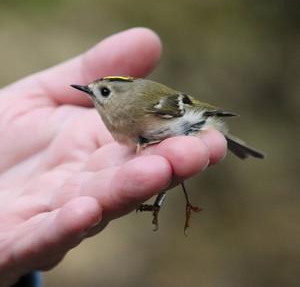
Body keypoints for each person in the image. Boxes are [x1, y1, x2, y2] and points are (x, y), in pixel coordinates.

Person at [0, 28, 227, 286]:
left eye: (105, 92)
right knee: (163, 167)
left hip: (190, 120)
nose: (96, 97)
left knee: (175, 162)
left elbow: (185, 106)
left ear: (123, 97)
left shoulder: (140, 105)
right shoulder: (115, 119)